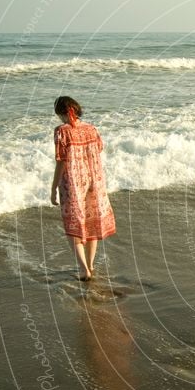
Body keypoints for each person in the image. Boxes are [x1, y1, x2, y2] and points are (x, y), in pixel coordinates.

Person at [50, 96, 116, 280]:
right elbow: (99, 149)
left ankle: (83, 269)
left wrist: (54, 187)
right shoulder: (92, 129)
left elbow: (61, 161)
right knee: (91, 222)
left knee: (74, 224)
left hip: (72, 182)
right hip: (95, 180)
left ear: (61, 113)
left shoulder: (62, 131)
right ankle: (91, 265)